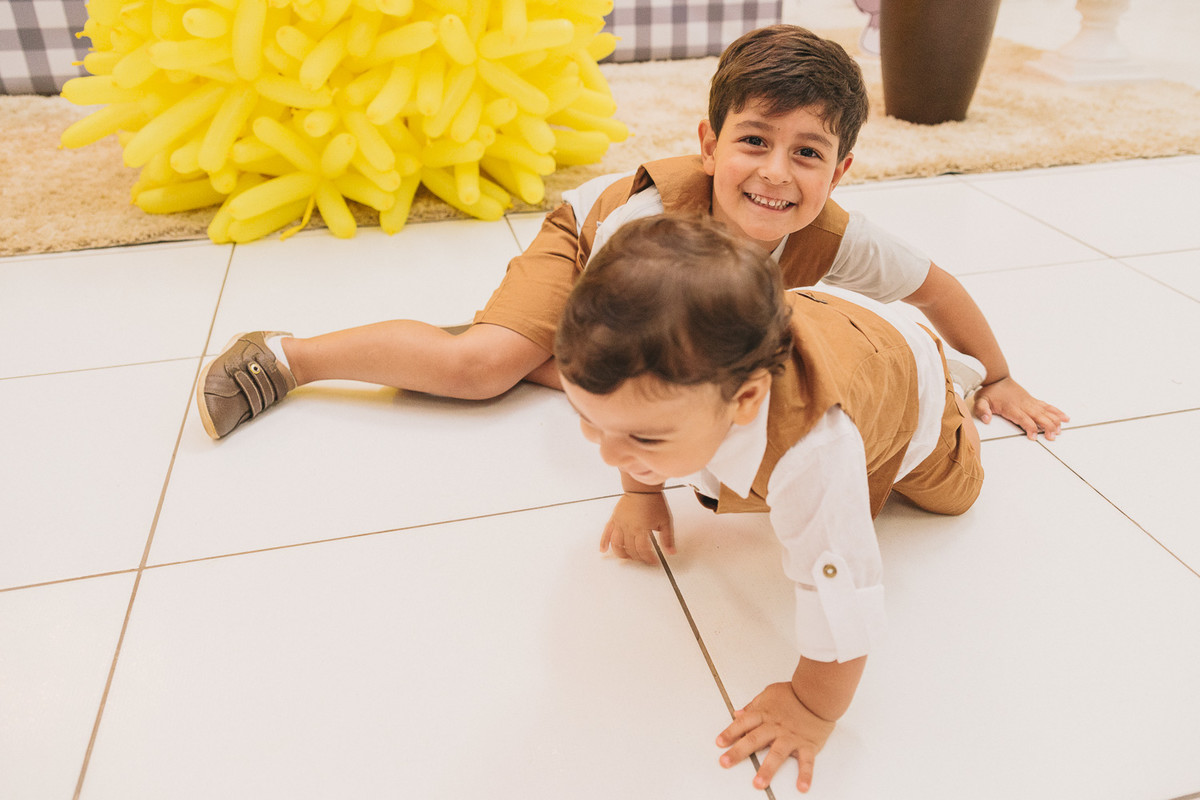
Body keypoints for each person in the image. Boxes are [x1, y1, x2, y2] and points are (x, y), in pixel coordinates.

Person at [197, 24, 1067, 441]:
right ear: (709, 145)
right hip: (590, 257)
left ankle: (517, 341)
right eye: (753, 142)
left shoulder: (840, 235)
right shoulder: (645, 227)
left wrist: (998, 376)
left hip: (691, 302)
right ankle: (288, 354)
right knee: (482, 368)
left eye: (807, 153)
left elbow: (936, 290)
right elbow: (612, 352)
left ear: (838, 172)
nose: (775, 174)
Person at [554, 213, 984, 793]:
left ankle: (958, 391)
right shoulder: (671, 388)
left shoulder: (813, 453)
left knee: (954, 495)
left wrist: (811, 707)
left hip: (904, 374)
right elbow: (625, 419)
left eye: (645, 440)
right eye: (589, 420)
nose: (609, 452)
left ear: (746, 399)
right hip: (826, 321)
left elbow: (842, 597)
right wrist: (641, 490)